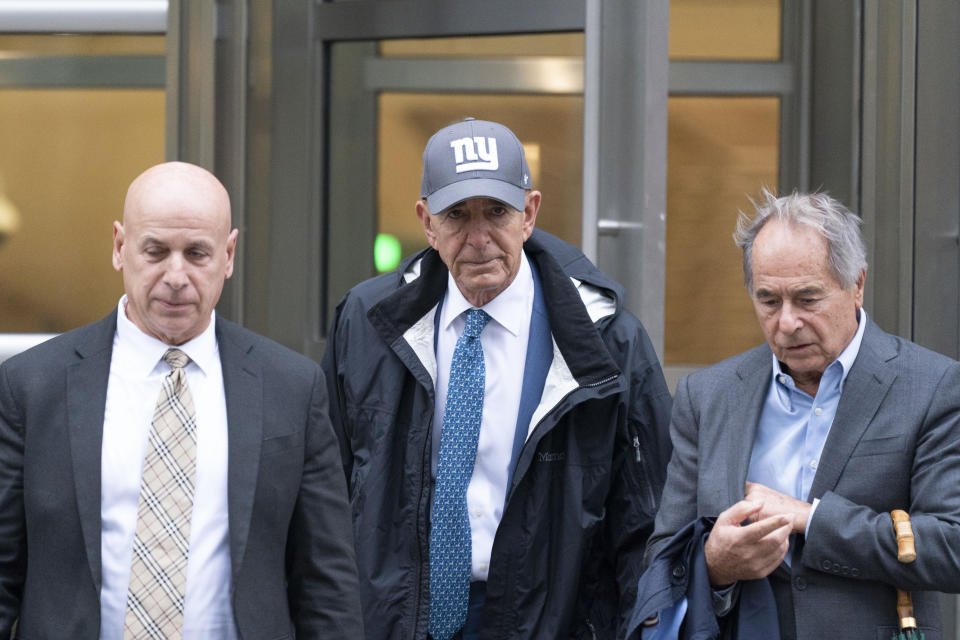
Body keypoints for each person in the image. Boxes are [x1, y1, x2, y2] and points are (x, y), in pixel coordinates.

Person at [322, 117, 673, 639]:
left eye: (497, 212)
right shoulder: (367, 319)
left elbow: (646, 526)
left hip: (544, 622)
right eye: (457, 215)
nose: (479, 238)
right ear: (426, 222)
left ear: (529, 214)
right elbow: (327, 492)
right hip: (394, 618)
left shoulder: (608, 341)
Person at [0, 162, 363, 638]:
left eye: (197, 253)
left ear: (229, 255)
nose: (176, 275)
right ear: (119, 247)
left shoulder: (291, 388)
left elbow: (327, 584)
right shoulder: (31, 386)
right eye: (155, 251)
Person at [645, 190, 960, 639]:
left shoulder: (932, 386)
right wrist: (715, 565)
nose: (787, 323)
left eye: (807, 299)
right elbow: (662, 555)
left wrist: (809, 518)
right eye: (769, 301)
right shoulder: (707, 396)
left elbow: (951, 547)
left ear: (857, 285)